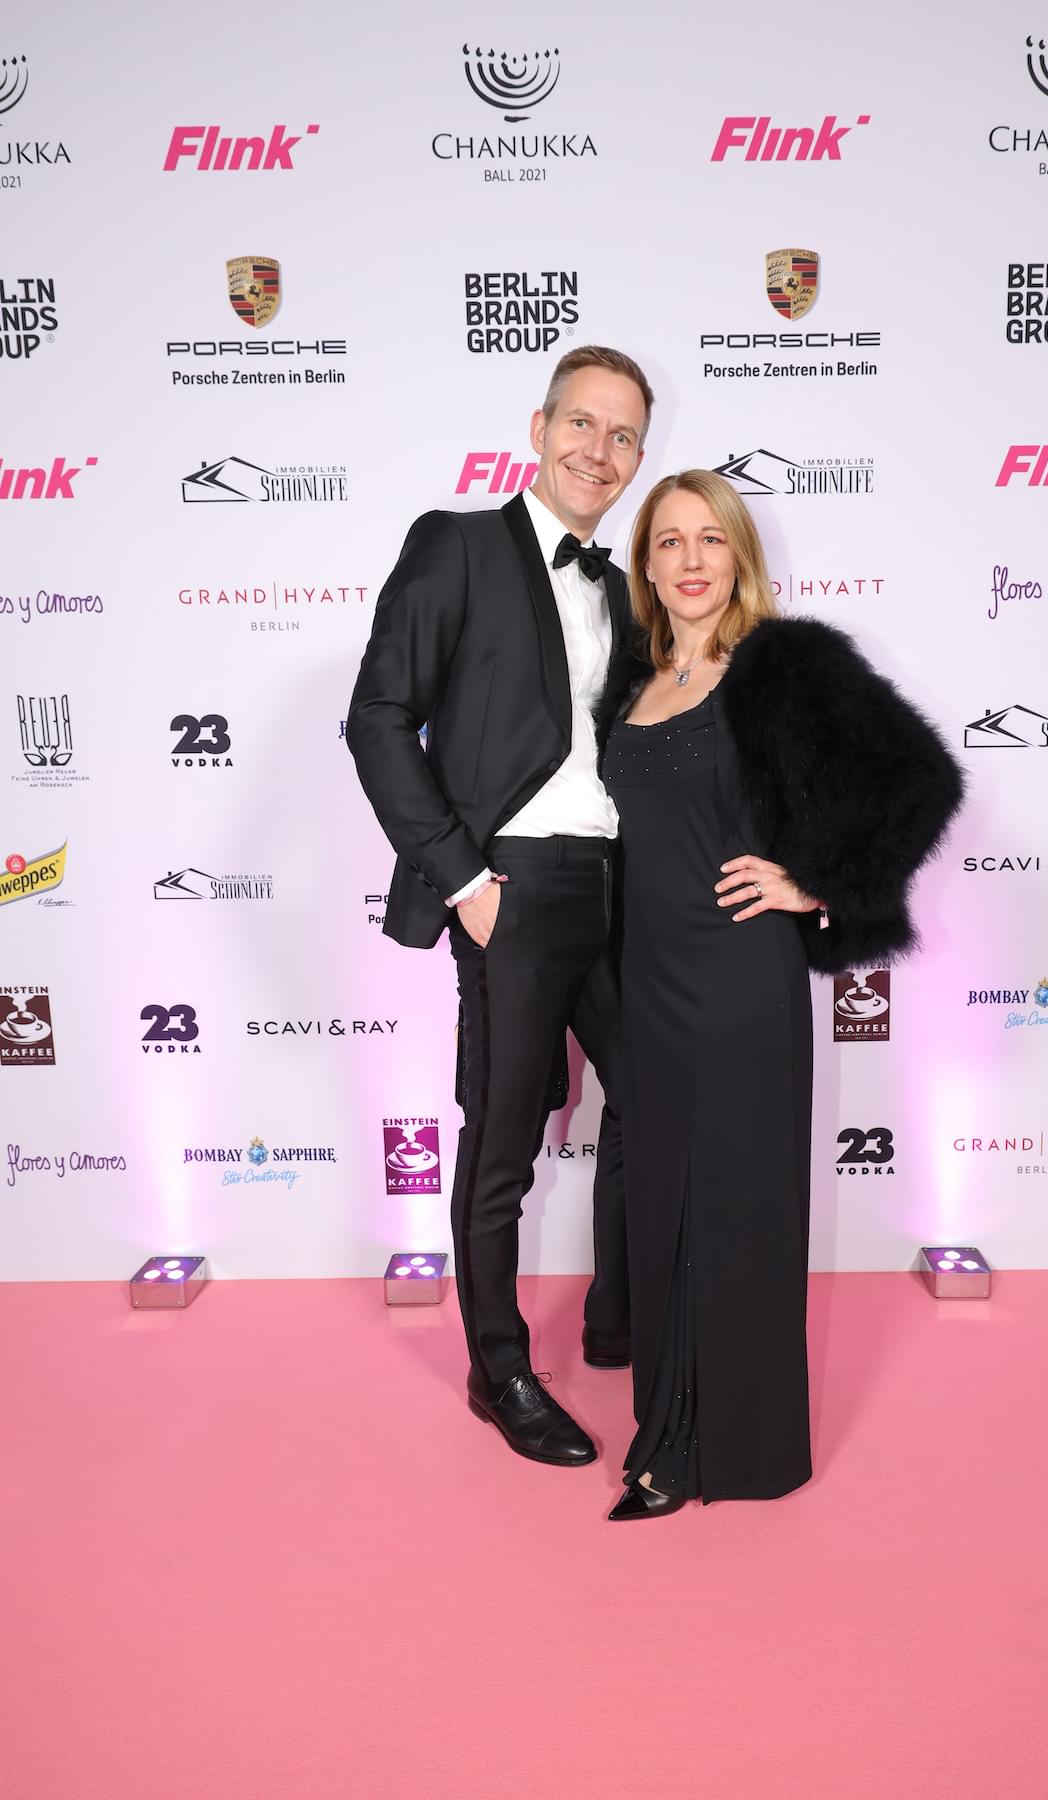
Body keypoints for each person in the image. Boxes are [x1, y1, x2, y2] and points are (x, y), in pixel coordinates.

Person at [595, 470, 963, 1518]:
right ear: (645, 564)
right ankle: (670, 1425)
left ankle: (734, 1450)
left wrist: (816, 884)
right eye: (670, 541)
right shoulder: (628, 683)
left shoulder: (783, 666)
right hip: (647, 983)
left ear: (739, 555)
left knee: (737, 1208)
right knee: (663, 1204)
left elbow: (921, 780)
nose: (691, 560)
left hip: (740, 981)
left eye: (711, 539)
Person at [346, 346, 655, 1469]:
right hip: (509, 888)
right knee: (504, 1140)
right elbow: (379, 717)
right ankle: (500, 1368)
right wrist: (463, 879)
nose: (598, 451)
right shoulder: (459, 544)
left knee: (658, 1096)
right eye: (582, 423)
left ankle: (620, 1317)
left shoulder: (622, 589)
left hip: (614, 884)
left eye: (623, 436)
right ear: (538, 428)